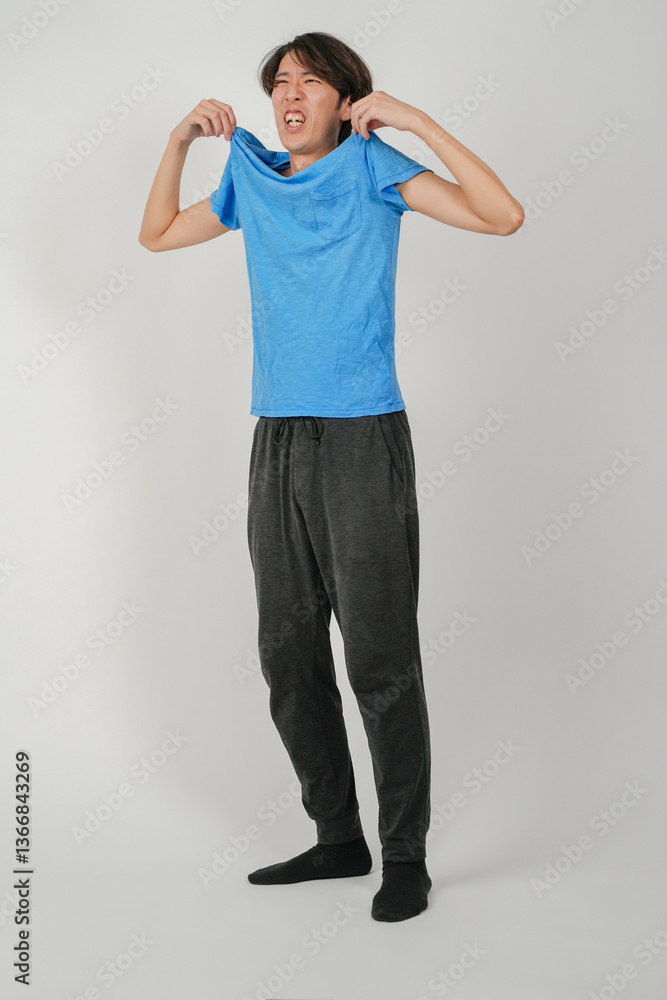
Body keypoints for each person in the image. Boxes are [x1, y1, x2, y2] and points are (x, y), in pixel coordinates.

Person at [139, 30, 524, 922]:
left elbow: (502, 216)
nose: (290, 95)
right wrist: (178, 141)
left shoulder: (373, 167)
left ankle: (403, 855)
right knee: (287, 654)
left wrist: (418, 124)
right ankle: (337, 835)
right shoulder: (253, 177)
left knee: (379, 655)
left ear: (347, 100)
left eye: (310, 82)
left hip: (361, 437)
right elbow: (155, 235)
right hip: (277, 436)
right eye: (280, 82)